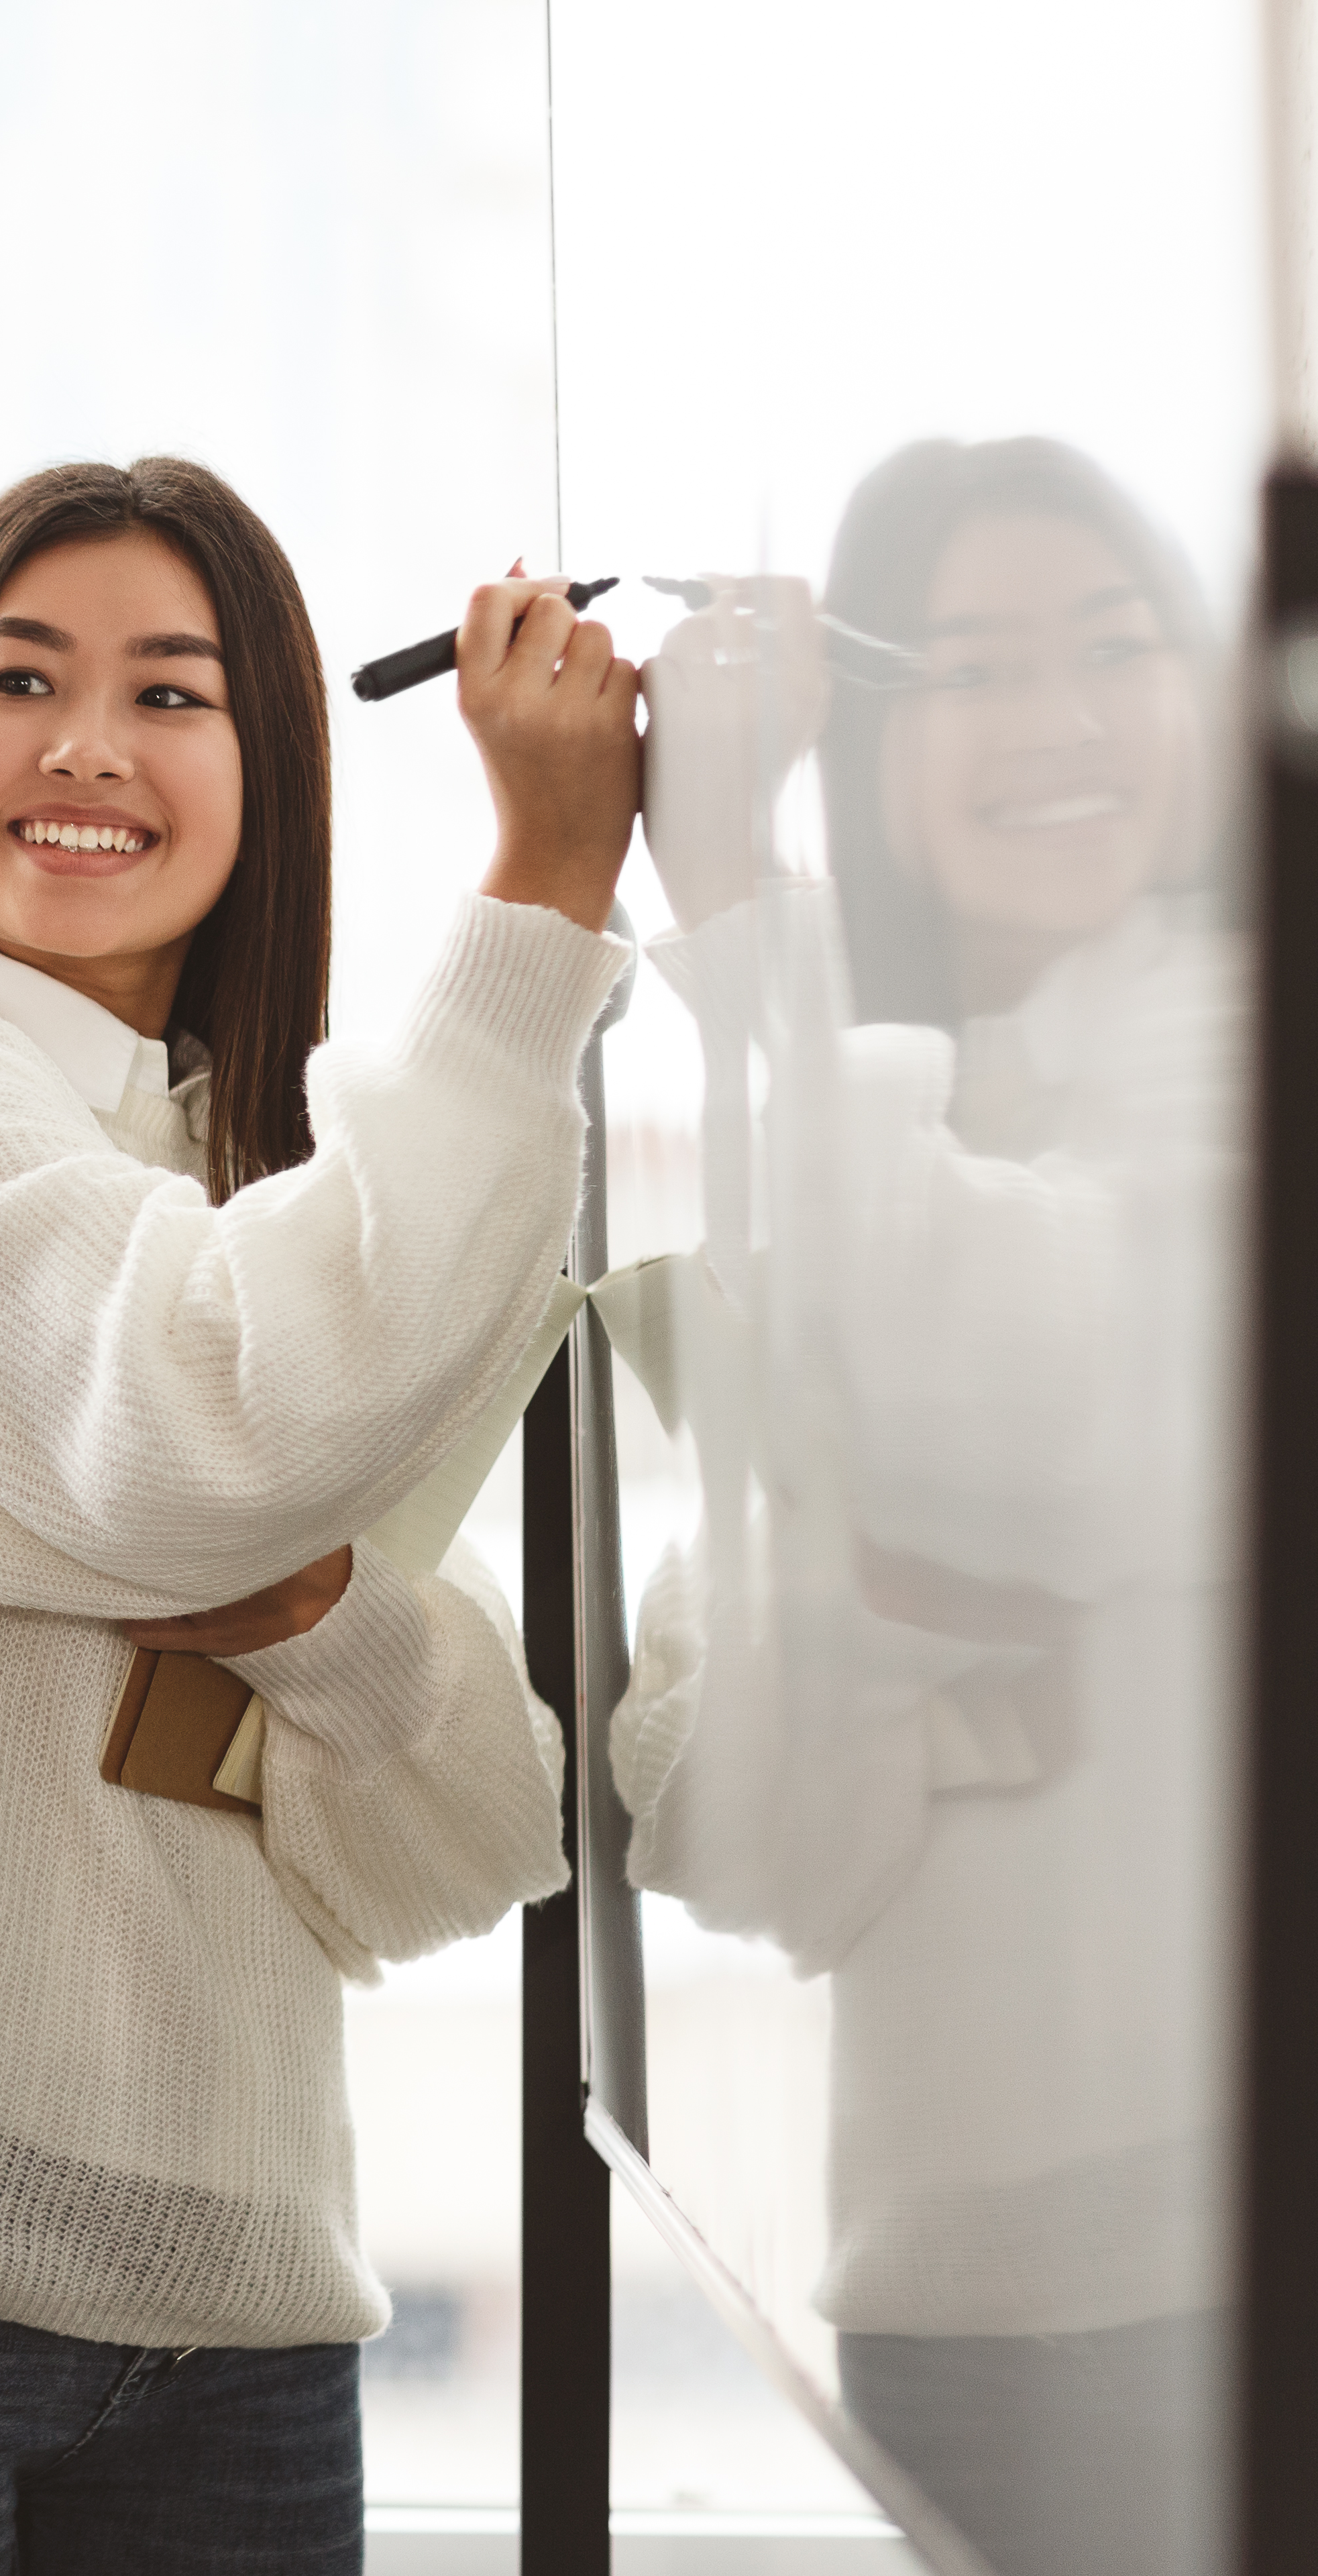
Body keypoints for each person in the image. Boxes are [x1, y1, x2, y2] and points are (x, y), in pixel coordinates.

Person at [0, 460, 643, 2574]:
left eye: (172, 697)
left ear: (266, 779)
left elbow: (468, 1838)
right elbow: (212, 1442)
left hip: (241, 2311)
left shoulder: (262, 1189)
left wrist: (318, 1610)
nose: (87, 747)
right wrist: (543, 886)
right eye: (22, 680)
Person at [613, 439, 1238, 2576]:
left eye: (1110, 649)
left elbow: (1054, 1408)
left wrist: (732, 904)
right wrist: (904, 1616)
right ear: (868, 741)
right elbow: (739, 1831)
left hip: (1220, 2269)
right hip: (944, 2286)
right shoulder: (894, 1109)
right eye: (969, 669)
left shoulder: (1245, 1031)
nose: (1058, 725)